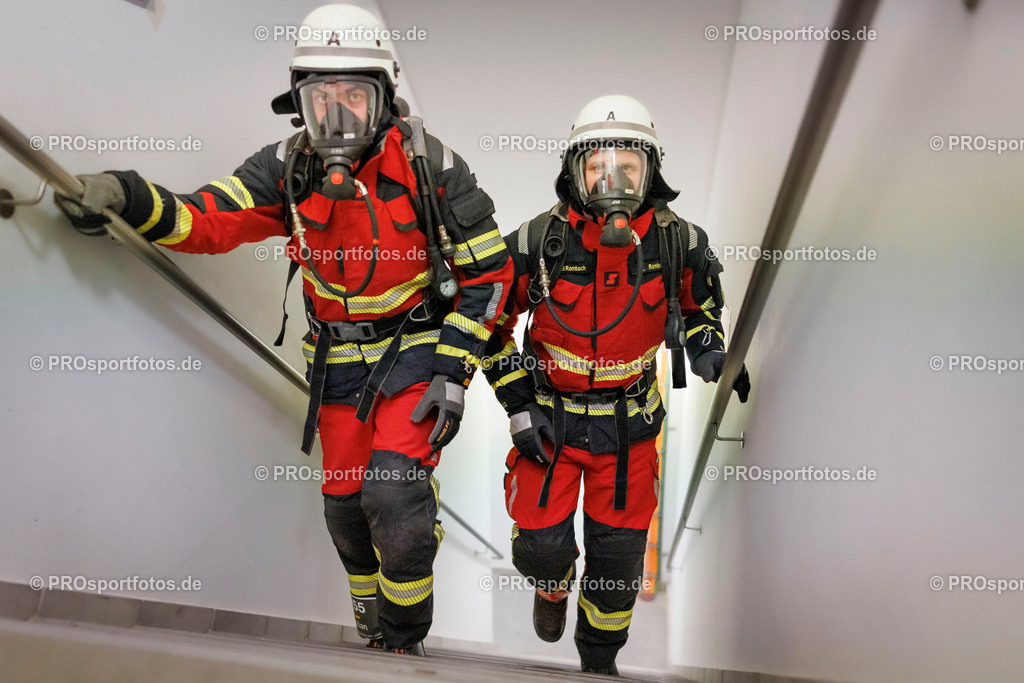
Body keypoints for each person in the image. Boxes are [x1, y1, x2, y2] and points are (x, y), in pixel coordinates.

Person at [54, 4, 513, 656]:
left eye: (354, 96)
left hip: (416, 350)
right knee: (343, 505)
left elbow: (490, 276)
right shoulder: (287, 169)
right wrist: (124, 194)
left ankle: (404, 635)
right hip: (339, 362)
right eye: (319, 97)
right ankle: (366, 592)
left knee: (397, 490)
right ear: (298, 101)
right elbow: (205, 217)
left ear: (385, 99)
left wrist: (453, 372)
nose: (336, 115)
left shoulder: (434, 170)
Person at [481, 95, 750, 675]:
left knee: (619, 567)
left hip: (629, 433)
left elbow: (701, 311)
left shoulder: (680, 243)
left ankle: (599, 664)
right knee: (541, 544)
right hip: (549, 424)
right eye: (598, 166)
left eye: (628, 167)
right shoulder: (535, 243)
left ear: (650, 171)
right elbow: (489, 327)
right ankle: (551, 588)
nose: (613, 180)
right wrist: (517, 405)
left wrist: (711, 352)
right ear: (573, 171)